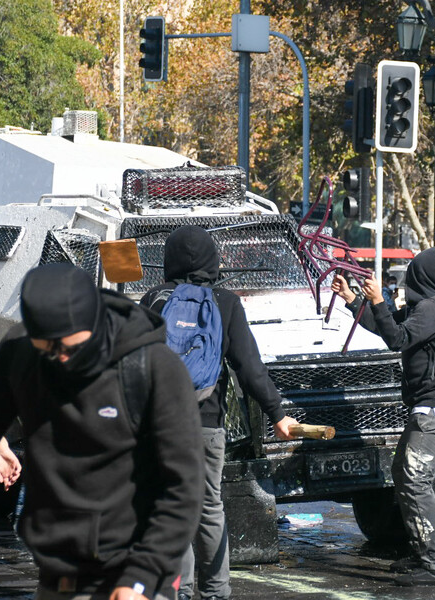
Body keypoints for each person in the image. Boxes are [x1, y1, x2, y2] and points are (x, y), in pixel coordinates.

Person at [0, 263, 204, 600]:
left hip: (137, 567)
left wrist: (141, 577)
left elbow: (183, 484)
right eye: (49, 351)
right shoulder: (20, 354)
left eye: (72, 349)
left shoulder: (151, 366)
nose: (62, 361)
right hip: (59, 573)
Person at [140, 226, 299, 600]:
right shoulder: (225, 303)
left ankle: (176, 592)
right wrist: (277, 414)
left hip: (161, 426)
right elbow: (249, 366)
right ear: (212, 259)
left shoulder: (153, 299)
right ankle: (215, 593)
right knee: (209, 507)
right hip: (207, 425)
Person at [331, 248, 435, 587]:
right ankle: (419, 552)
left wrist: (377, 299)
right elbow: (387, 325)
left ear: (421, 277)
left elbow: (396, 339)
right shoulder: (427, 309)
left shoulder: (434, 309)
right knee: (403, 474)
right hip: (429, 406)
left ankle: (434, 566)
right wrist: (354, 300)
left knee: (415, 479)